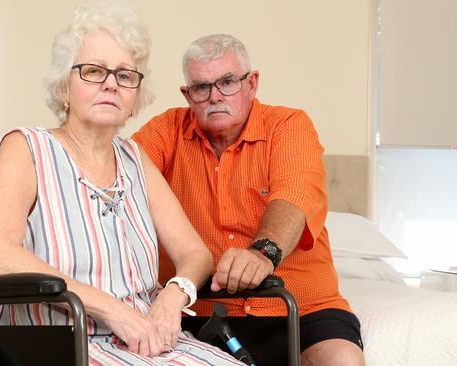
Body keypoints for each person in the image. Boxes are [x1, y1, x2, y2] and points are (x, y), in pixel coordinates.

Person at [0, 4, 246, 365]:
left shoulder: (136, 159)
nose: (110, 84)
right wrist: (114, 311)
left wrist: (172, 296)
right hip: (56, 342)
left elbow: (195, 255)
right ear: (63, 88)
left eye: (124, 75)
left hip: (147, 340)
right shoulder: (25, 148)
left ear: (135, 97)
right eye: (93, 71)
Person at [133, 34, 366, 366]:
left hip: (300, 305)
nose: (215, 97)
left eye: (227, 82)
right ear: (187, 95)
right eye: (201, 87)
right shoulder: (165, 130)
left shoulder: (289, 126)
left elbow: (293, 195)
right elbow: (118, 177)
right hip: (199, 311)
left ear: (252, 83)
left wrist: (263, 253)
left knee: (342, 359)